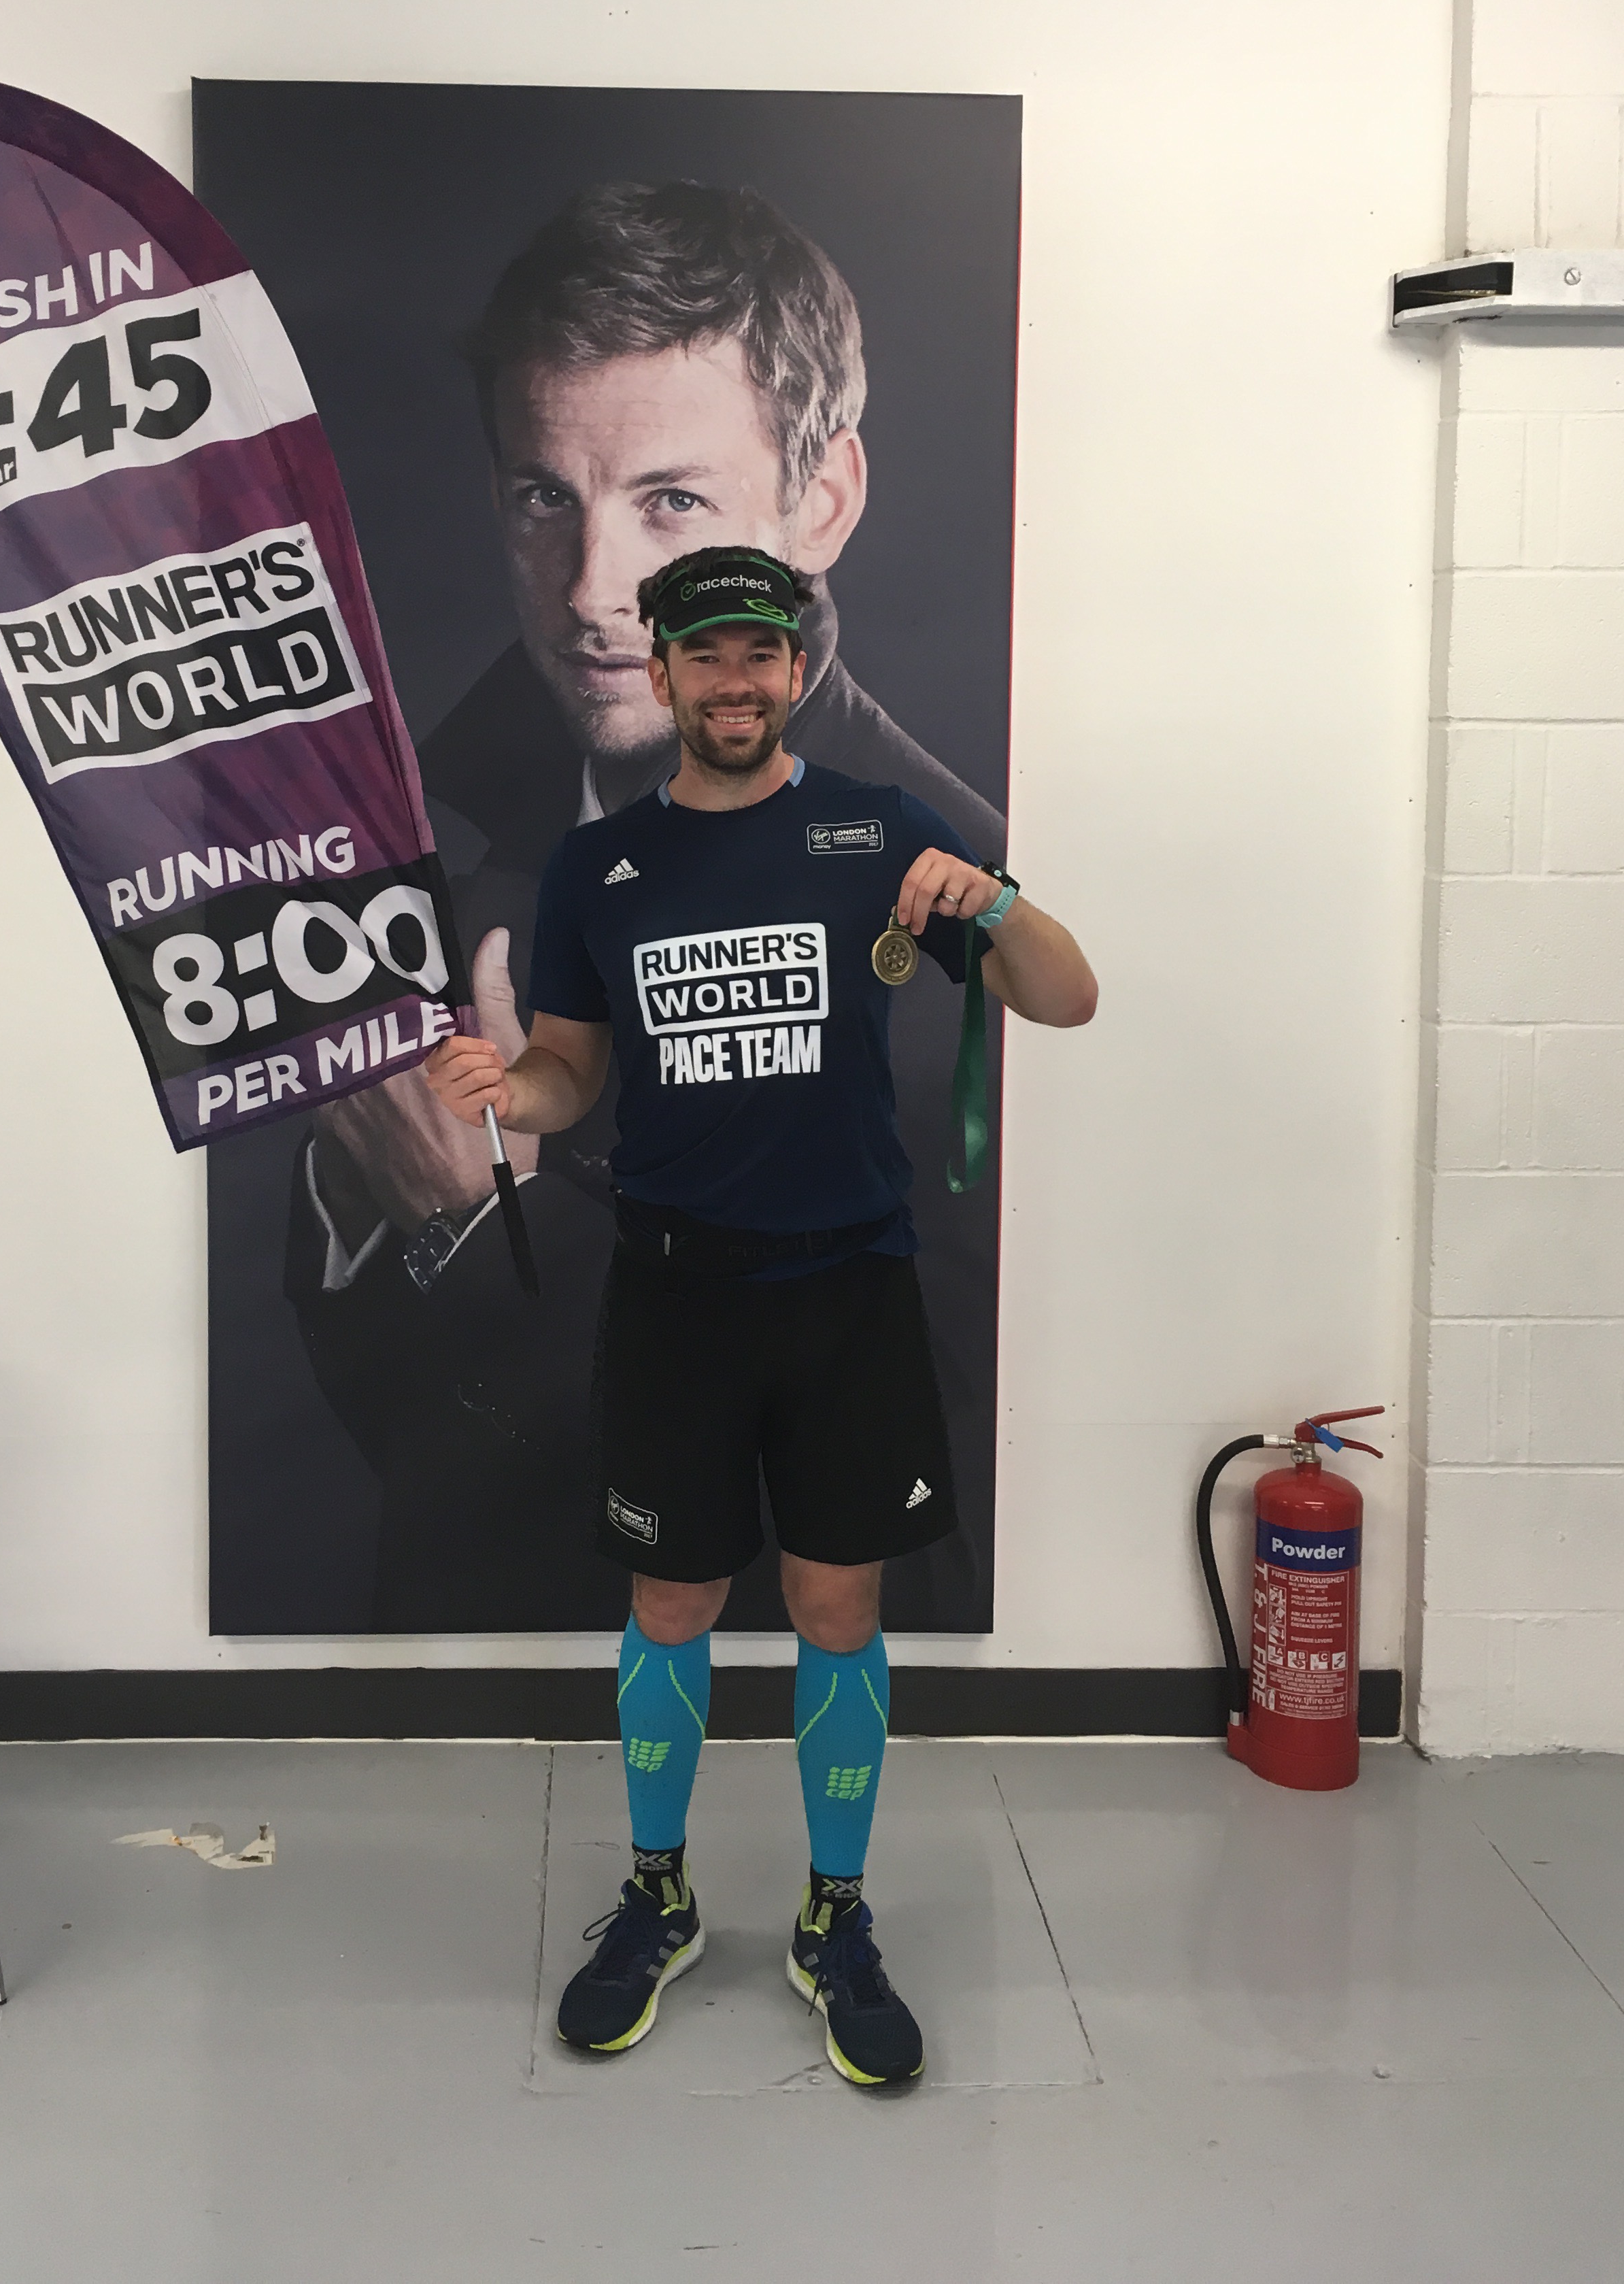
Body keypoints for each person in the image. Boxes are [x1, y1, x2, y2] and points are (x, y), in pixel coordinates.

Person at [283, 178, 1010, 1630]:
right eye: (544, 498)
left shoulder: (945, 914)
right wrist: (368, 1189)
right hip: (442, 1681)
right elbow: (387, 1422)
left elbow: (910, 1511)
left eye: (672, 502)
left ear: (821, 505)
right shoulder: (435, 835)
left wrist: (474, 1228)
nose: (591, 590)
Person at [423, 544, 1096, 2086]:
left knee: (836, 1608)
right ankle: (658, 1895)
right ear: (661, 674)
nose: (734, 682)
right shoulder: (600, 868)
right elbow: (570, 1074)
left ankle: (833, 1916)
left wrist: (997, 897)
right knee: (671, 1603)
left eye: (759, 654)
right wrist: (507, 1090)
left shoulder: (880, 827)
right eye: (706, 656)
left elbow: (1065, 997)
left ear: (797, 669)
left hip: (850, 1286)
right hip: (679, 1291)